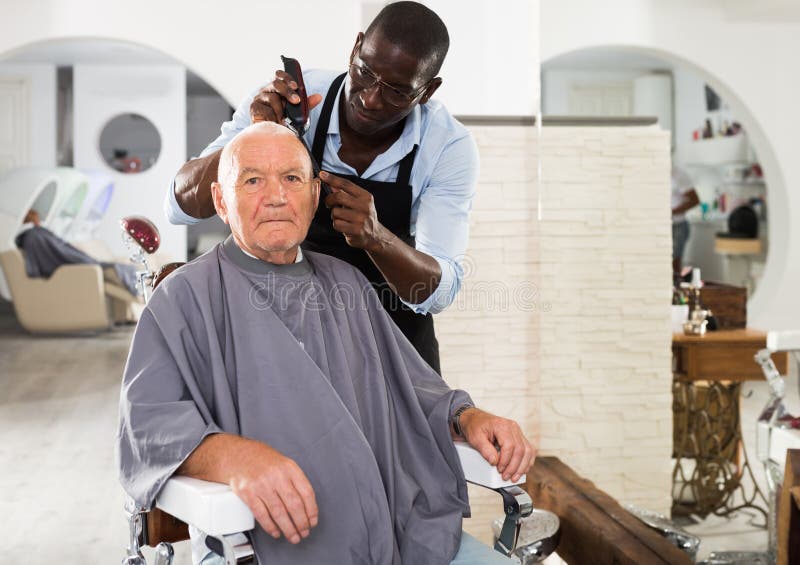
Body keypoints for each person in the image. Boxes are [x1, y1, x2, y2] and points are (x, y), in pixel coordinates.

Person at [120, 123, 533, 565]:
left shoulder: (346, 282)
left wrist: (466, 416)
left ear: (314, 197)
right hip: (259, 547)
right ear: (222, 201)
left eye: (292, 179)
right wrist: (231, 457)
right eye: (253, 180)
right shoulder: (183, 298)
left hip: (396, 533)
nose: (276, 196)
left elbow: (408, 385)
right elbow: (146, 425)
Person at [165, 1, 479, 373]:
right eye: (365, 72)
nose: (370, 99)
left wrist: (377, 238)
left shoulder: (447, 145)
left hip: (394, 342)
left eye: (397, 92)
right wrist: (256, 137)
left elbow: (438, 292)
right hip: (293, 330)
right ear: (355, 48)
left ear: (427, 91)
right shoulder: (296, 98)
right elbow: (180, 206)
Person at [15, 209, 139, 297]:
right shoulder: (35, 236)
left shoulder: (35, 235)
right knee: (117, 268)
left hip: (81, 264)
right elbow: (61, 253)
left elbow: (62, 249)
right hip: (77, 267)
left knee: (122, 268)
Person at [671, 165, 699, 275]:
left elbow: (695, 200)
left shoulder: (679, 175)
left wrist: (671, 212)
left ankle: (674, 291)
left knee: (674, 265)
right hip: (665, 226)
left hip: (677, 226)